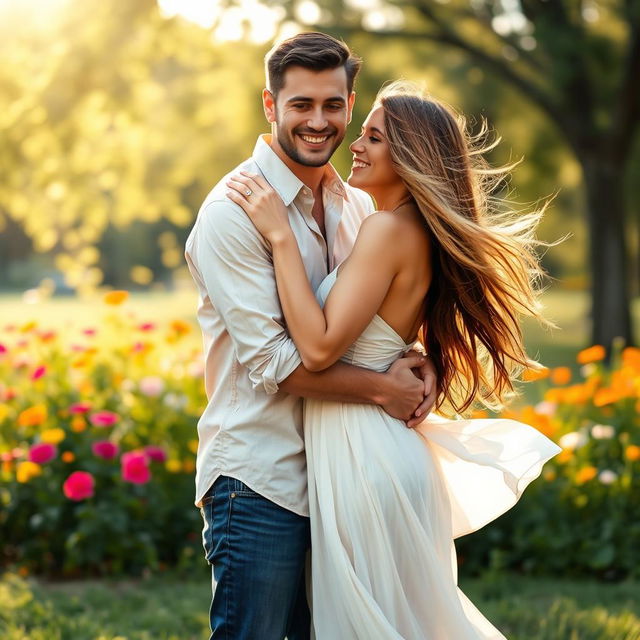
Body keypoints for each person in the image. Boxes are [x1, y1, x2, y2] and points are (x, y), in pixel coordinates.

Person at [226, 81, 561, 638]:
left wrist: (281, 238)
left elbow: (318, 347)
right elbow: (380, 329)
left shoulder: (385, 229)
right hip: (376, 449)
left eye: (374, 137)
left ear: (409, 156)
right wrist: (415, 355)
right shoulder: (404, 229)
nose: (356, 146)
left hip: (366, 455)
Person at [184, 33, 438, 640]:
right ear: (271, 107)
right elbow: (277, 362)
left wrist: (413, 355)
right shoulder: (233, 212)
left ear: (351, 105)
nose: (318, 122)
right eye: (301, 105)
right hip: (260, 478)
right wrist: (383, 389)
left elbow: (362, 321)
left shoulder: (356, 203)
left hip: (340, 475)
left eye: (333, 104)